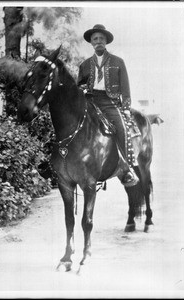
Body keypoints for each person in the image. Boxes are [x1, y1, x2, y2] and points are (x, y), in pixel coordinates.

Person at [77, 24, 139, 187]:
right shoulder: (84, 65)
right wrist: (82, 90)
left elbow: (125, 86)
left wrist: (125, 107)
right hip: (90, 102)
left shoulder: (118, 62)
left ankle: (126, 170)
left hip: (110, 102)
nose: (99, 41)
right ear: (91, 42)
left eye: (101, 39)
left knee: (122, 128)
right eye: (95, 39)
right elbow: (79, 86)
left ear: (106, 42)